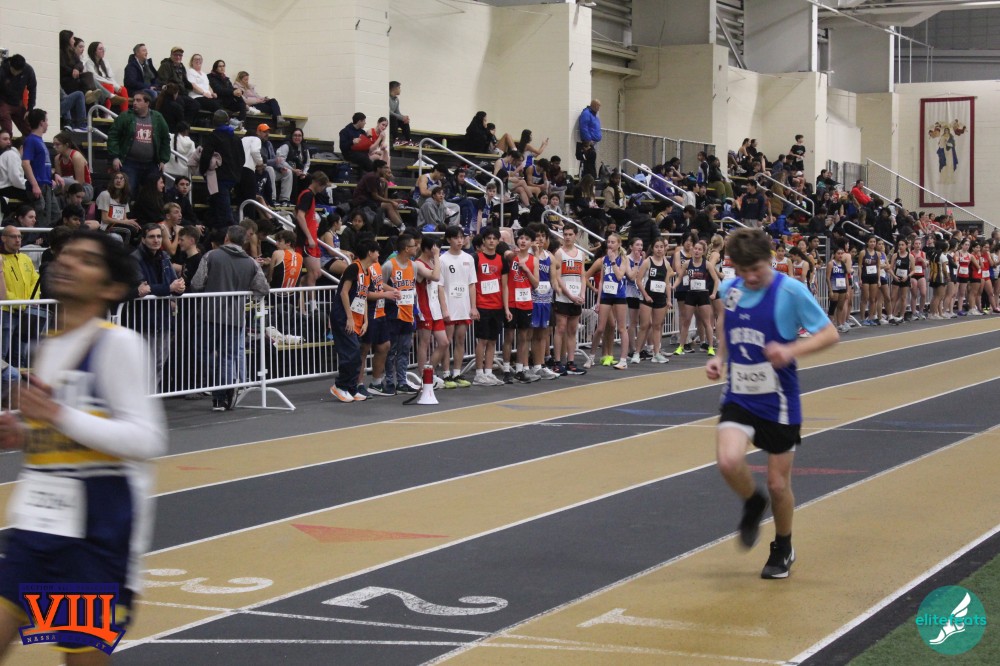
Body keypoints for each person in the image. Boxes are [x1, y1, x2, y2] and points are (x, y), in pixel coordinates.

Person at [0, 230, 166, 662]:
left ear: (111, 287)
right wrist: (22, 432)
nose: (69, 262)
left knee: (80, 658)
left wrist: (58, 415)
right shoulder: (46, 345)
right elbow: (62, 434)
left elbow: (147, 438)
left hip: (97, 529)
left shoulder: (118, 344)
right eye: (67, 254)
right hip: (37, 525)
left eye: (87, 259)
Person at [706, 227, 838, 580]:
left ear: (770, 260)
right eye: (743, 271)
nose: (750, 277)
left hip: (778, 400)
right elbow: (727, 323)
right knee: (728, 460)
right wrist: (720, 357)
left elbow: (830, 333)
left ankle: (783, 545)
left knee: (779, 484)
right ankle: (753, 501)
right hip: (739, 393)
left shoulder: (790, 290)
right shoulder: (730, 289)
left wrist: (790, 350)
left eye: (757, 270)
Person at [190, 224, 269, 411]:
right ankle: (224, 394)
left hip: (209, 315)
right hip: (234, 317)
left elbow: (196, 283)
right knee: (227, 357)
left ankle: (220, 392)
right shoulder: (251, 263)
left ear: (226, 237)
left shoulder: (211, 256)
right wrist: (248, 297)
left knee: (204, 353)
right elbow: (263, 288)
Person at [329, 238, 380, 403]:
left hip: (357, 318)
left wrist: (365, 321)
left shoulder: (367, 272)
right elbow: (344, 292)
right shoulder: (353, 268)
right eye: (377, 251)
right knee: (350, 353)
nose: (379, 254)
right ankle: (340, 386)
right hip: (343, 317)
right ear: (370, 253)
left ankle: (351, 387)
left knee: (356, 354)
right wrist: (349, 318)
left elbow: (363, 297)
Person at [107, 91, 171, 195]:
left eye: (138, 100)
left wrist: (163, 160)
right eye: (134, 100)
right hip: (129, 162)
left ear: (147, 103)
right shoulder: (125, 116)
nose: (134, 103)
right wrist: (115, 157)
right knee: (128, 191)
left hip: (152, 164)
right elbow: (113, 136)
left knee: (153, 193)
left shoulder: (157, 117)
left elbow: (165, 139)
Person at [438, 226, 476, 387]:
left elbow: (472, 284)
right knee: (447, 341)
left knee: (461, 340)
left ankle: (457, 372)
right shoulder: (442, 259)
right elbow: (440, 286)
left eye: (462, 237)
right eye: (456, 238)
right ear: (448, 240)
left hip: (463, 307)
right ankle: (446, 374)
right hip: (449, 306)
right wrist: (444, 309)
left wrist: (473, 307)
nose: (460, 240)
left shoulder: (469, 258)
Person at [382, 233, 419, 395]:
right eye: (414, 245)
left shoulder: (414, 266)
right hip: (392, 313)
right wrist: (393, 290)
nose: (416, 248)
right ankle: (389, 381)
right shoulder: (389, 266)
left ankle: (402, 381)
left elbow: (412, 286)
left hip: (408, 313)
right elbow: (379, 284)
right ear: (406, 248)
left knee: (405, 349)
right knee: (391, 350)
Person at [199, 109, 243, 229]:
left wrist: (202, 171)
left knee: (223, 211)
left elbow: (205, 157)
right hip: (233, 177)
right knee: (216, 207)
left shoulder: (213, 137)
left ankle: (230, 233)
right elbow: (242, 158)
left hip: (218, 177)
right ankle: (213, 231)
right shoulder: (236, 138)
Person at [20, 109, 57, 227]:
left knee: (55, 214)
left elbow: (42, 164)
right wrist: (35, 185)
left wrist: (51, 178)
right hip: (39, 185)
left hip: (46, 184)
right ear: (41, 122)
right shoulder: (31, 140)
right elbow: (25, 163)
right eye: (46, 120)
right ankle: (37, 237)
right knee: (42, 219)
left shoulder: (39, 141)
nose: (47, 124)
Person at [295, 171, 330, 291]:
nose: (322, 189)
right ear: (318, 183)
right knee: (314, 273)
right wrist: (309, 237)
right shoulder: (308, 195)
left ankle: (300, 285)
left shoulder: (308, 195)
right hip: (306, 239)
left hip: (310, 236)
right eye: (322, 186)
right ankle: (311, 301)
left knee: (317, 273)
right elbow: (300, 215)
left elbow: (298, 213)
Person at [85, 41, 129, 112]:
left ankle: (125, 113)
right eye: (100, 49)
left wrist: (116, 86)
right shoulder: (89, 62)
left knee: (123, 89)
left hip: (109, 84)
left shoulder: (105, 62)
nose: (103, 51)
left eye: (103, 49)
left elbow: (110, 77)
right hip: (98, 85)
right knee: (109, 87)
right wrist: (112, 84)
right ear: (94, 51)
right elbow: (95, 77)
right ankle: (107, 113)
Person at [0, 54, 37, 137]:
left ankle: (31, 143)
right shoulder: (2, 71)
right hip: (3, 102)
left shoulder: (28, 70)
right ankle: (7, 143)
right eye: (14, 71)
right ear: (10, 65)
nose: (15, 74)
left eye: (18, 72)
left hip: (18, 103)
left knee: (29, 130)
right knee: (7, 130)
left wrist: (30, 109)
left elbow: (32, 89)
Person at [577, 99, 602, 174]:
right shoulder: (586, 113)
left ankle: (591, 176)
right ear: (593, 105)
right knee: (589, 165)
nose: (599, 108)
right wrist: (588, 141)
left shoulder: (594, 115)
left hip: (593, 143)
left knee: (592, 163)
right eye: (598, 106)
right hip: (588, 143)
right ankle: (589, 177)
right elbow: (584, 127)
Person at [388, 80, 412, 146]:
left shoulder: (396, 99)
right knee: (393, 118)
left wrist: (404, 118)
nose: (400, 90)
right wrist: (401, 117)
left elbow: (397, 112)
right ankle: (396, 140)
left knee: (405, 122)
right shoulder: (387, 97)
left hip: (393, 120)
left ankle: (408, 141)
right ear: (394, 89)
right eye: (399, 88)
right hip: (388, 120)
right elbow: (389, 112)